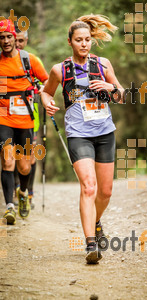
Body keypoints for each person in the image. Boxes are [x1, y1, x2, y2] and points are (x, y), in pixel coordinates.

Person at [41, 14, 124, 264]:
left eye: (88, 39)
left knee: (106, 192)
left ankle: (96, 221)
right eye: (79, 40)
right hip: (78, 134)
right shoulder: (60, 69)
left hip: (105, 132)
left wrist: (112, 89)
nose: (84, 44)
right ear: (70, 42)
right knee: (89, 187)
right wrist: (48, 103)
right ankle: (90, 245)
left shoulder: (103, 64)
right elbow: (45, 92)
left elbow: (121, 95)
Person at [0, 20, 48, 225]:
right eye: (1, 37)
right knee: (8, 160)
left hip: (26, 117)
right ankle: (9, 206)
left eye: (9, 36)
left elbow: (47, 81)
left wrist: (43, 94)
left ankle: (23, 192)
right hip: (3, 117)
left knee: (25, 166)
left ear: (15, 38)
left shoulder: (29, 60)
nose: (6, 41)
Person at [13, 28, 44, 209]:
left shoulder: (31, 60)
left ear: (26, 40)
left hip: (30, 118)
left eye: (21, 41)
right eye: (14, 40)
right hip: (9, 117)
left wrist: (38, 89)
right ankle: (16, 192)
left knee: (29, 157)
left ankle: (28, 193)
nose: (17, 44)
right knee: (12, 155)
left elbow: (44, 83)